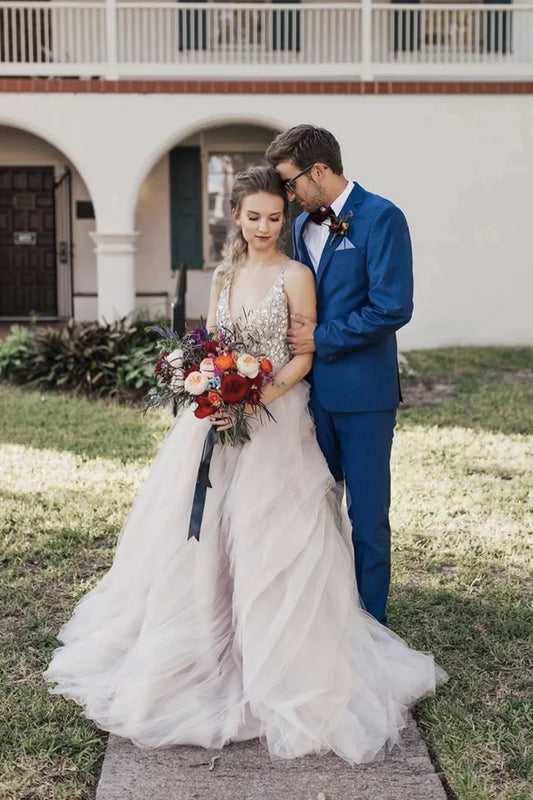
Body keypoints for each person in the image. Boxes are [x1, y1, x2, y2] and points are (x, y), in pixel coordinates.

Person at [44, 166, 445, 765]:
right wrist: (203, 381)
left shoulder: (297, 275)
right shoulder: (225, 273)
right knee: (202, 539)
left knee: (273, 536)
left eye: (274, 217)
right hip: (217, 418)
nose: (263, 226)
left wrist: (252, 398)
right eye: (253, 216)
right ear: (235, 217)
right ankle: (209, 640)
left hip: (275, 420)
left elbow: (304, 355)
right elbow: (213, 340)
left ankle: (278, 654)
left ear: (286, 219)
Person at [266, 125, 413, 626]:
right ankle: (325, 617)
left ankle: (371, 626)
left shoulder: (382, 218)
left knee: (367, 517)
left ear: (319, 171)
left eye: (290, 184)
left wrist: (321, 339)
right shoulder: (299, 227)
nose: (288, 195)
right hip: (306, 398)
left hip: (364, 397)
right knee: (315, 510)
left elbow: (392, 307)